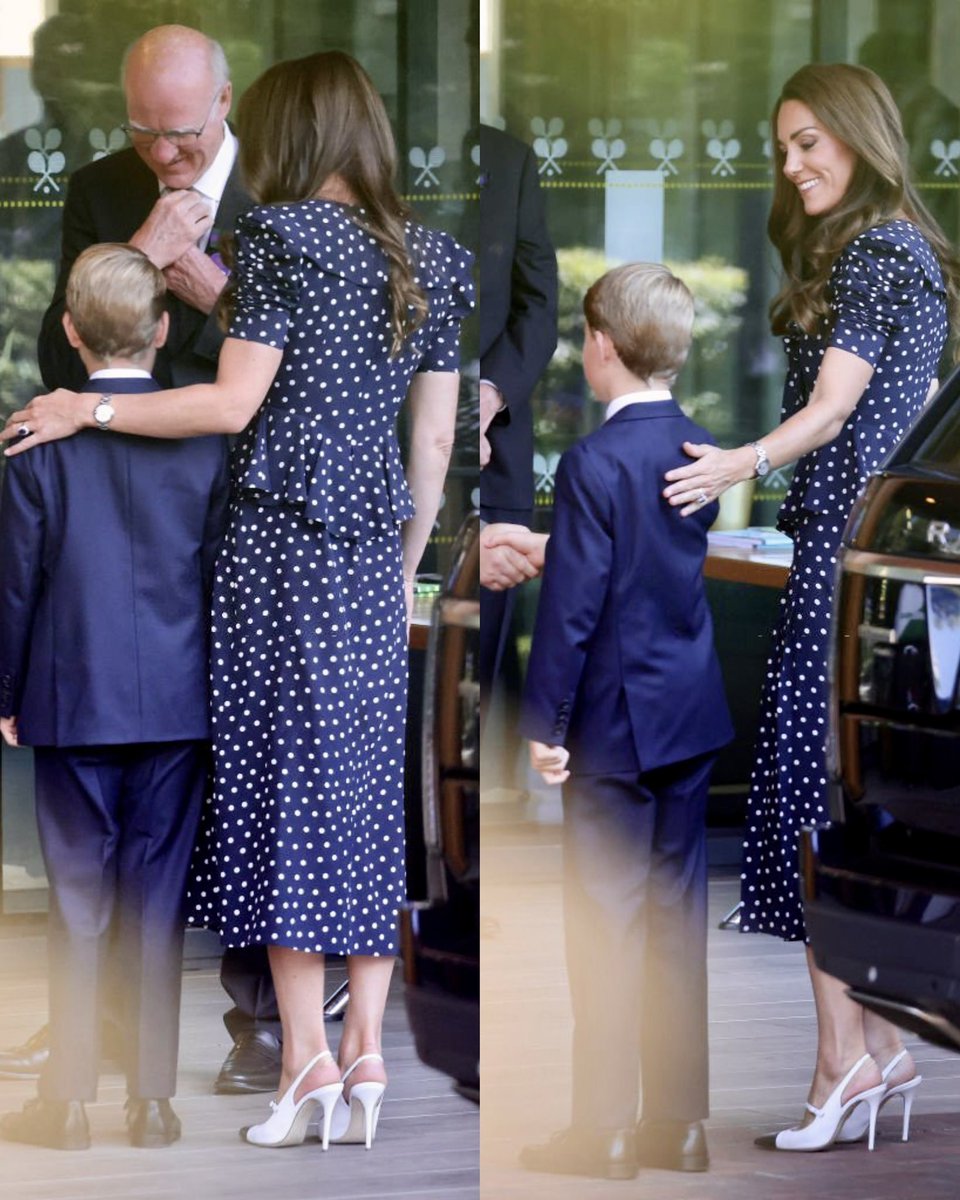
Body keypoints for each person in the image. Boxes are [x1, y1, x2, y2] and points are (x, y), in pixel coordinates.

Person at [3, 49, 473, 1152]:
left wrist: (87, 411)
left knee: (277, 797)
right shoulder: (436, 261)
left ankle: (303, 1056)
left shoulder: (278, 236)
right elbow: (438, 443)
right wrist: (402, 554)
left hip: (276, 549)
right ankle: (363, 1051)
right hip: (369, 557)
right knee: (362, 797)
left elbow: (230, 402)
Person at [662, 62, 960, 1151]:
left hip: (840, 568)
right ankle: (873, 1048)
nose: (791, 164)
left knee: (810, 809)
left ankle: (847, 1059)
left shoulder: (879, 252)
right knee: (837, 806)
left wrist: (733, 462)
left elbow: (835, 410)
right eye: (782, 146)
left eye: (807, 142)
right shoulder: (904, 256)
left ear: (860, 133)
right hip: (862, 563)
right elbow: (907, 414)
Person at [0, 22, 285, 1098]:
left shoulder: (287, 188)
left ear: (224, 104)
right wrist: (135, 243)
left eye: (177, 135)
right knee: (156, 887)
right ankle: (150, 1098)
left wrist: (186, 270)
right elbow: (55, 342)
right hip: (168, 669)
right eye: (142, 131)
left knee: (91, 885)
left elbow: (292, 365)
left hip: (214, 524)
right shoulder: (105, 184)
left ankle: (83, 1090)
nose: (161, 155)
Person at [0, 243, 230, 1150]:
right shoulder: (207, 438)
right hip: (179, 704)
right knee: (155, 901)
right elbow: (217, 581)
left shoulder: (32, 444)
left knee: (79, 901)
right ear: (165, 329)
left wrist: (6, 690)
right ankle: (152, 1101)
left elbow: (15, 586)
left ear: (68, 333)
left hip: (71, 699)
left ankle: (63, 1103)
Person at [518, 263, 733, 1181]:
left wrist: (543, 722)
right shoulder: (700, 450)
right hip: (689, 715)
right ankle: (679, 1127)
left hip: (610, 724)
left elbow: (573, 611)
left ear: (600, 345)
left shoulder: (592, 462)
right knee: (675, 924)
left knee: (602, 925)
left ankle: (603, 1128)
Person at [478, 124, 558, 704]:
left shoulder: (510, 158)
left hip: (495, 436)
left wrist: (488, 393)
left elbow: (538, 303)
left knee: (490, 647)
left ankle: (497, 788)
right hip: (388, 429)